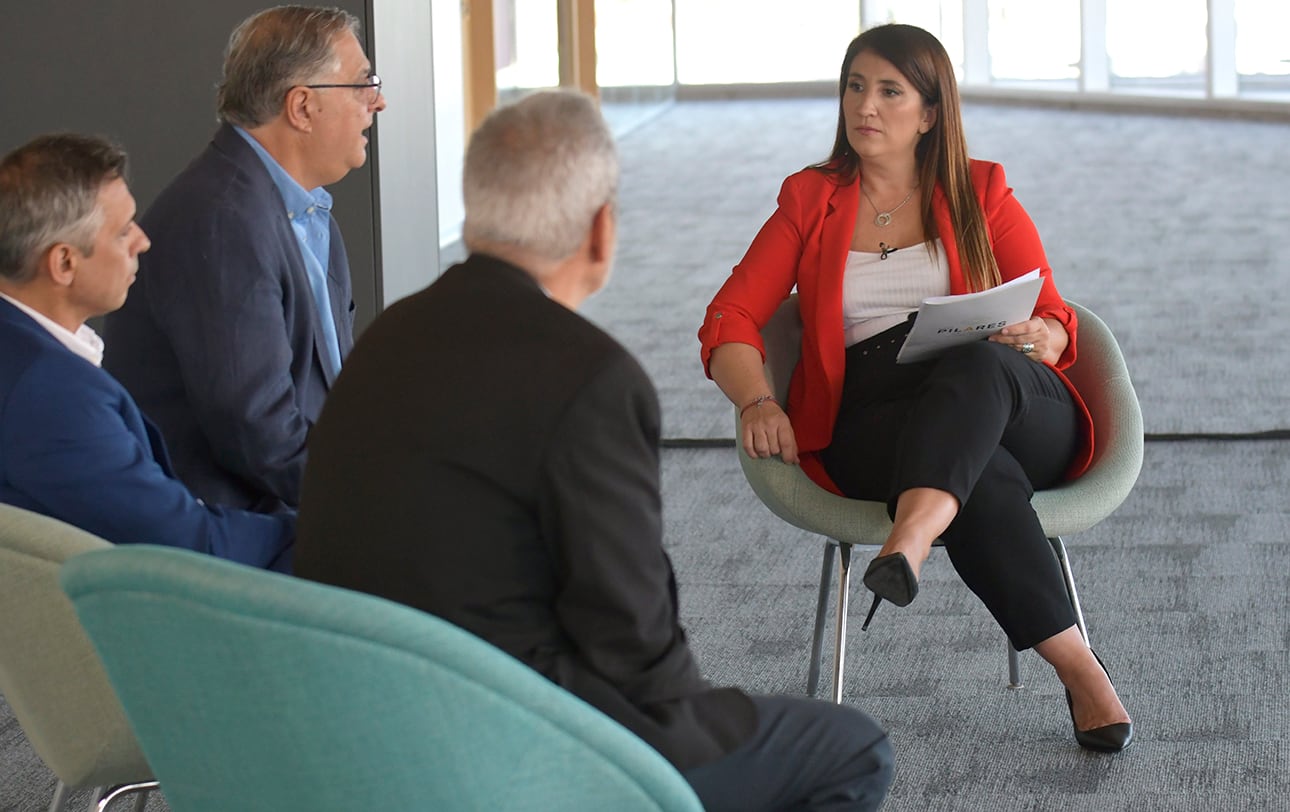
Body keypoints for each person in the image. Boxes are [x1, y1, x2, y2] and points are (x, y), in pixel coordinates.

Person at [296, 89, 893, 811]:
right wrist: (700, 720)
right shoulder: (592, 377)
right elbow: (632, 644)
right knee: (851, 748)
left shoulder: (386, 338)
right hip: (519, 736)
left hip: (359, 725)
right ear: (601, 230)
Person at [698, 24, 1133, 753]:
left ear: (930, 112)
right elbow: (730, 316)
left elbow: (1052, 309)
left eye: (889, 91)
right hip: (879, 414)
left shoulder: (981, 188)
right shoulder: (812, 199)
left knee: (973, 370)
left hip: (1009, 397)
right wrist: (757, 398)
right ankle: (1083, 672)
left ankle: (913, 535)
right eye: (855, 86)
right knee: (979, 475)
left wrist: (1048, 336)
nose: (865, 105)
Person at [104, 5, 386, 514]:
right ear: (301, 107)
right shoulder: (221, 217)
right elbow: (255, 428)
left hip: (298, 506)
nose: (378, 101)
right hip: (238, 538)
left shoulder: (307, 210)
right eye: (363, 84)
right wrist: (367, 506)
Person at [0, 133, 294, 572]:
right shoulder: (54, 396)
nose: (143, 241)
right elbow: (185, 544)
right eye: (122, 232)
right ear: (63, 263)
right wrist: (318, 532)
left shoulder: (23, 351)